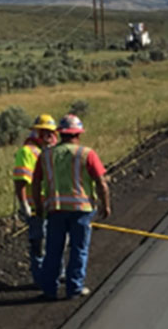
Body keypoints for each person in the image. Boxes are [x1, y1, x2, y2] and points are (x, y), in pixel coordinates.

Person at [32, 114, 112, 300]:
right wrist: (105, 205)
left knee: (53, 249)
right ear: (78, 134)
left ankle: (49, 289)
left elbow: (36, 183)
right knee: (78, 249)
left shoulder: (46, 155)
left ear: (60, 133)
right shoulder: (87, 154)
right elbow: (101, 182)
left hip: (55, 209)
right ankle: (74, 288)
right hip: (81, 211)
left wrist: (38, 207)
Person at [13, 114, 58, 286]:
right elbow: (20, 181)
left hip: (52, 206)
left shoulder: (48, 151)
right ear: (36, 132)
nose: (50, 136)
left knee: (54, 242)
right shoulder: (27, 152)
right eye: (45, 132)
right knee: (39, 243)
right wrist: (24, 205)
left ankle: (55, 274)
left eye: (51, 133)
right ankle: (40, 278)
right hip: (36, 208)